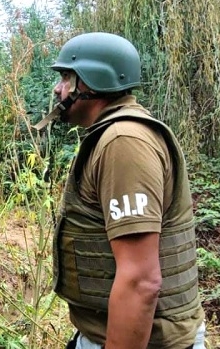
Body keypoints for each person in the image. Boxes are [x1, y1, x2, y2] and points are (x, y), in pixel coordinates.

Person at [44, 32, 206, 349]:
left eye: (66, 77)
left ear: (91, 81)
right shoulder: (116, 134)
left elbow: (140, 281)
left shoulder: (124, 142)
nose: (58, 88)